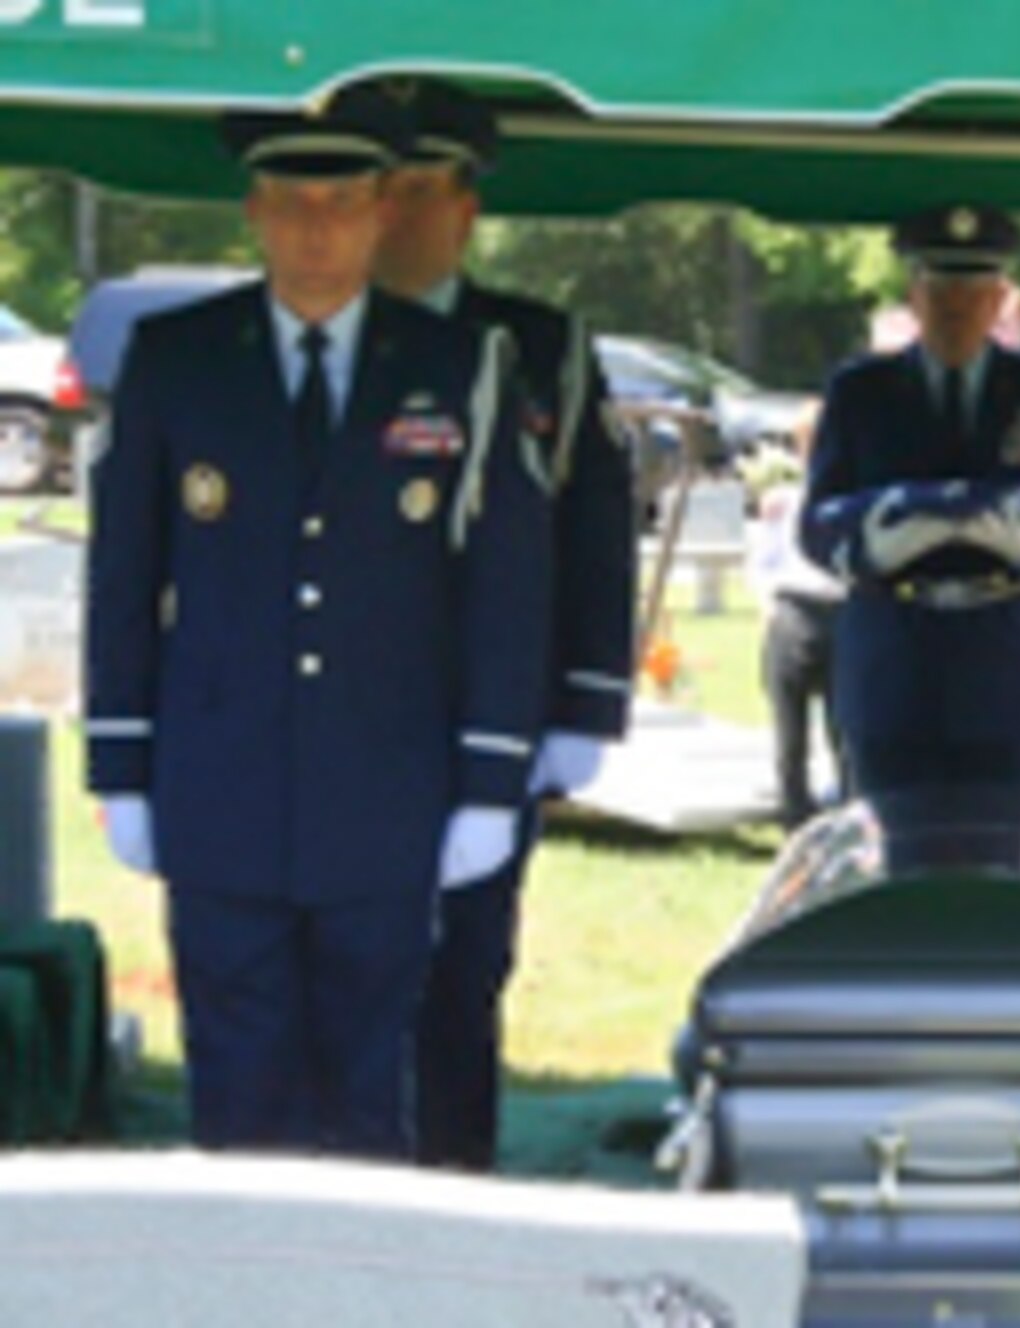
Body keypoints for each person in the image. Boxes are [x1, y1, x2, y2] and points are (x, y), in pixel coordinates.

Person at [84, 98, 552, 1158]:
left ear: (383, 210)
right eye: (290, 200)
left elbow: (502, 590)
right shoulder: (177, 358)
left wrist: (488, 781)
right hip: (218, 784)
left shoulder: (462, 367)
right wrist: (121, 762)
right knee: (236, 1085)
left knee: (367, 1086)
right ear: (251, 210)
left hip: (388, 787)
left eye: (341, 201)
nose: (314, 228)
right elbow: (123, 574)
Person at [359, 77, 634, 1171]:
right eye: (381, 184)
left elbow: (594, 531)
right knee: (338, 964)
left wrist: (582, 708)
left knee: (465, 965)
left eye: (421, 188)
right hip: (342, 717)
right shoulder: (319, 333)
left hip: (488, 718)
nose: (396, 211)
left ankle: (454, 1185)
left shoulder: (536, 345)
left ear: (467, 208)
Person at [800, 204, 1020, 795]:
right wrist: (885, 523)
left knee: (1005, 858)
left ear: (998, 303)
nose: (955, 313)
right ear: (914, 299)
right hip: (893, 659)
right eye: (940, 297)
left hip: (1009, 663)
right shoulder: (861, 390)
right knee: (895, 864)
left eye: (972, 298)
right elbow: (815, 526)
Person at [749, 402, 845, 829]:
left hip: (843, 613)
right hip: (794, 610)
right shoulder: (783, 502)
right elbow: (761, 562)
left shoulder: (850, 501)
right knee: (790, 734)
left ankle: (850, 815)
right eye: (808, 443)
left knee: (846, 732)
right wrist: (768, 607)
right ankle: (794, 815)